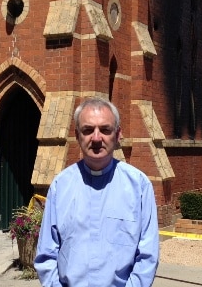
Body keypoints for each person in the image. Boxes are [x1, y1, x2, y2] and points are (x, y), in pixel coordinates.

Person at [34, 96, 160, 286]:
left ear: (118, 135)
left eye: (105, 130)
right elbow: (46, 254)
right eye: (87, 130)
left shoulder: (139, 186)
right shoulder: (61, 186)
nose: (96, 138)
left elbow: (148, 256)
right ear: (77, 135)